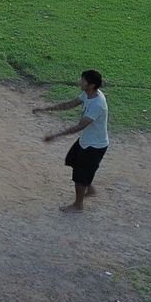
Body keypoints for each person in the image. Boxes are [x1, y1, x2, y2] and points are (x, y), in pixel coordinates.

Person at [36, 69, 109, 213]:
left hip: (94, 146)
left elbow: (79, 126)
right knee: (73, 161)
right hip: (86, 141)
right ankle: (90, 188)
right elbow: (70, 104)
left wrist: (55, 135)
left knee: (79, 176)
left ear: (92, 85)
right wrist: (46, 109)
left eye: (83, 81)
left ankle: (78, 205)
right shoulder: (88, 94)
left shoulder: (97, 104)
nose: (80, 82)